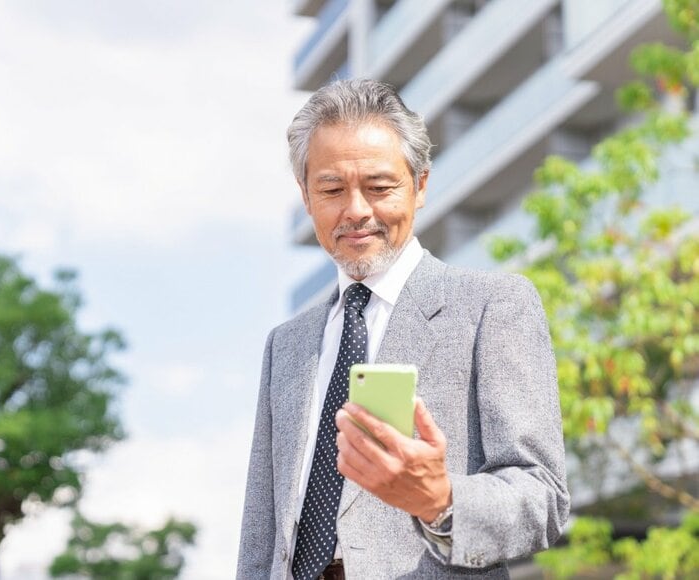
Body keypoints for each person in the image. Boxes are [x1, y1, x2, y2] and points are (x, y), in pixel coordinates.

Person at [237, 79, 570, 580]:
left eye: (379, 187)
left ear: (420, 186)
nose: (356, 210)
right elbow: (261, 535)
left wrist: (441, 500)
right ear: (306, 197)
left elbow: (541, 499)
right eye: (331, 189)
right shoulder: (286, 345)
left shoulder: (493, 307)